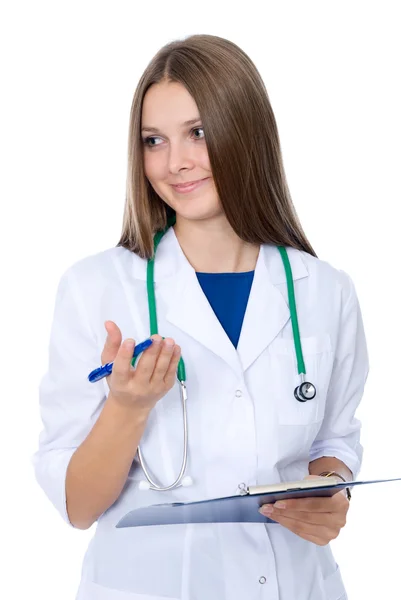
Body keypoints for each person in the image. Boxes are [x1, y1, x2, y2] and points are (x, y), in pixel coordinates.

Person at [32, 33, 369, 600]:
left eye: (199, 132)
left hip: (297, 585)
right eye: (154, 140)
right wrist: (128, 407)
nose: (175, 162)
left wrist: (334, 493)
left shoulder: (324, 291)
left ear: (247, 132)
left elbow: (335, 442)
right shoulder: (96, 289)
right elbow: (78, 506)